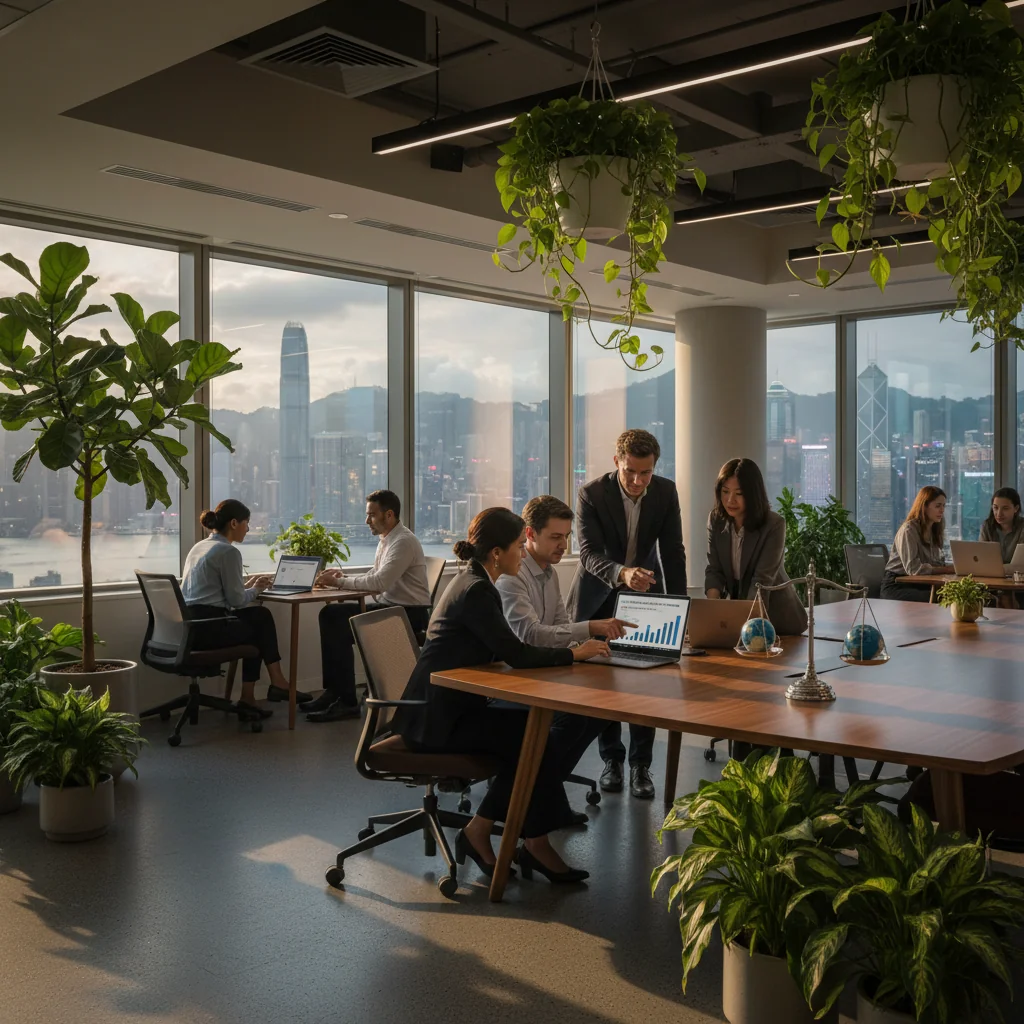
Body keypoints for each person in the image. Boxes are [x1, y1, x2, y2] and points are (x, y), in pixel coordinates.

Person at [392, 507, 610, 884]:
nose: (522, 554)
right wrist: (575, 652)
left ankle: (511, 835)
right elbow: (518, 653)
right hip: (438, 719)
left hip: (442, 708)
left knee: (532, 732)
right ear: (497, 553)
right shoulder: (477, 591)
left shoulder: (472, 582)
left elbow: (501, 651)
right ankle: (516, 839)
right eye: (516, 547)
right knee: (532, 737)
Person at [567, 428, 687, 800]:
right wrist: (622, 573)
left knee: (645, 684)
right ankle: (612, 761)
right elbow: (587, 554)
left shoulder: (665, 491)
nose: (637, 481)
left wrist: (679, 609)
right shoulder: (592, 493)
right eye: (630, 472)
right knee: (607, 685)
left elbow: (673, 551)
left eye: (645, 473)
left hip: (646, 595)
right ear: (617, 461)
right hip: (599, 593)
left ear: (655, 468)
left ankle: (640, 766)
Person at [496, 495, 633, 821]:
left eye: (567, 536)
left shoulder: (548, 573)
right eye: (555, 537)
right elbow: (529, 635)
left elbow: (558, 627)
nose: (563, 545)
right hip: (511, 678)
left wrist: (595, 643)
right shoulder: (512, 576)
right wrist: (591, 627)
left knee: (599, 713)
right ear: (529, 534)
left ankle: (543, 795)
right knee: (571, 717)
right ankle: (528, 798)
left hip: (542, 671)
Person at [304, 489, 431, 723]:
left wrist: (338, 582)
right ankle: (337, 692)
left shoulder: (403, 542)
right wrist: (341, 576)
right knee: (331, 614)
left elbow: (379, 583)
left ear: (389, 514)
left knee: (334, 617)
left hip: (407, 616)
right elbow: (376, 574)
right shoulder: (388, 539)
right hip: (392, 609)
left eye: (371, 515)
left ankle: (345, 700)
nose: (366, 521)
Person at [181, 499, 309, 719]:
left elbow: (221, 595)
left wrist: (248, 587)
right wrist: (257, 590)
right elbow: (237, 602)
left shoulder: (200, 546)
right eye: (246, 523)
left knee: (258, 616)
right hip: (208, 628)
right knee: (258, 624)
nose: (248, 529)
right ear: (233, 523)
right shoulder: (228, 552)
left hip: (189, 626)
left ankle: (258, 693)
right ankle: (272, 684)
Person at [704, 458, 807, 637]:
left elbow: (762, 581)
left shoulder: (774, 524)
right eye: (725, 492)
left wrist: (745, 624)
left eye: (739, 493)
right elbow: (715, 570)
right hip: (741, 621)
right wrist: (712, 613)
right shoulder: (716, 520)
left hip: (777, 620)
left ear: (753, 494)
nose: (730, 500)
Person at [881, 486, 954, 602]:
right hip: (897, 585)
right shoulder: (909, 530)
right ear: (924, 506)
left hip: (919, 583)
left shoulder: (933, 531)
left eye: (944, 506)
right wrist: (946, 570)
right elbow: (913, 569)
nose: (942, 510)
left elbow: (936, 563)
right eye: (938, 506)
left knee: (956, 594)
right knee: (941, 598)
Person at [980, 487, 1024, 562]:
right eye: (995, 508)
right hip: (990, 573)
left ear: (1016, 508)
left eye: (1005, 508)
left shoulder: (1022, 527)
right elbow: (981, 558)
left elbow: (1020, 564)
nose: (999, 514)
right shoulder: (987, 526)